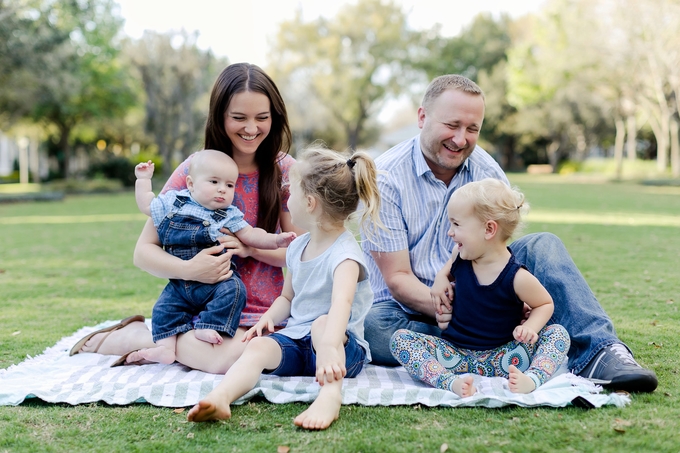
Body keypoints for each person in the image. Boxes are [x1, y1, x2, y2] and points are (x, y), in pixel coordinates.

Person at [360, 74, 658, 393]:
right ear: (422, 117)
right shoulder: (385, 179)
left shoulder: (488, 174)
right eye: (452, 125)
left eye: (472, 129)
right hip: (413, 307)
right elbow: (398, 278)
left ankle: (600, 352)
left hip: (482, 291)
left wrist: (505, 299)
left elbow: (499, 252)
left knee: (544, 245)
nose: (461, 139)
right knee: (375, 329)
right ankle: (499, 347)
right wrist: (471, 311)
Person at [70, 62, 304, 374]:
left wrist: (250, 249)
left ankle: (146, 336)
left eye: (262, 118)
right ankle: (131, 336)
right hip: (199, 309)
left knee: (247, 356)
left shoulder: (287, 172)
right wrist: (190, 269)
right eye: (239, 118)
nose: (251, 128)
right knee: (226, 360)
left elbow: (301, 252)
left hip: (266, 310)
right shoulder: (195, 171)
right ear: (220, 117)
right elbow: (143, 252)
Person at [187, 146, 383, 430]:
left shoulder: (345, 255)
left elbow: (342, 304)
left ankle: (330, 395)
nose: (287, 200)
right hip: (300, 342)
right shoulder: (298, 247)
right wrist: (269, 319)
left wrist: (328, 344)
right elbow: (288, 296)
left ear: (311, 203)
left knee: (322, 323)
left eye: (292, 193)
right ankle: (221, 397)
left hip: (342, 350)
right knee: (257, 348)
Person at [390, 178, 570, 397]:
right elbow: (445, 272)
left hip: (508, 356)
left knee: (558, 334)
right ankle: (449, 382)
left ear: (489, 229)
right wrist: (440, 280)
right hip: (455, 355)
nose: (450, 232)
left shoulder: (517, 277)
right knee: (400, 339)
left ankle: (531, 379)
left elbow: (544, 303)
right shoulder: (459, 256)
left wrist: (531, 327)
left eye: (456, 224)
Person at [130, 150, 296, 364]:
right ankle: (165, 347)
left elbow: (253, 235)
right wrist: (143, 179)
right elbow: (146, 205)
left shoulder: (229, 214)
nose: (222, 189)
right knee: (165, 308)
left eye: (229, 185)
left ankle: (208, 326)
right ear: (190, 184)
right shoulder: (173, 202)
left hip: (218, 281)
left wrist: (277, 241)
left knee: (234, 290)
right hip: (182, 282)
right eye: (214, 182)